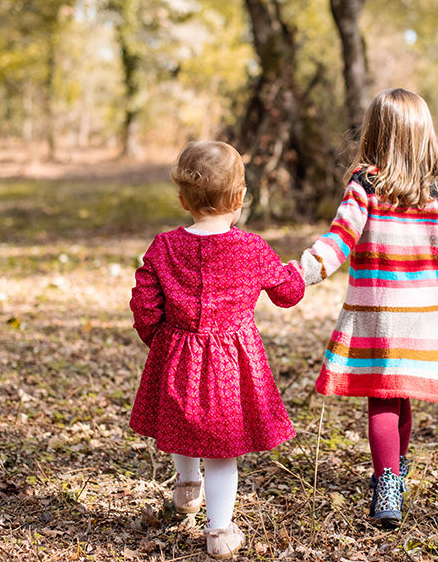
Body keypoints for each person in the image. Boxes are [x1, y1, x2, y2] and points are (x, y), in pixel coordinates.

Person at [296, 88, 438, 527]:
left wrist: (306, 270)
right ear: (423, 136)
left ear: (375, 134)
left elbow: (340, 238)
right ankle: (395, 471)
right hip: (422, 322)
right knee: (400, 397)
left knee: (383, 402)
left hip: (379, 319)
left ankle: (387, 480)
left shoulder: (366, 187)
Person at [129, 141, 305, 560]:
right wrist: (299, 270)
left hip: (178, 351)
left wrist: (161, 339)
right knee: (222, 450)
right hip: (234, 363)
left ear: (182, 199)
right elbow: (287, 292)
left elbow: (143, 303)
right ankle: (220, 531)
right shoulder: (252, 248)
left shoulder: (164, 246)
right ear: (241, 197)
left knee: (181, 423)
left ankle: (188, 487)